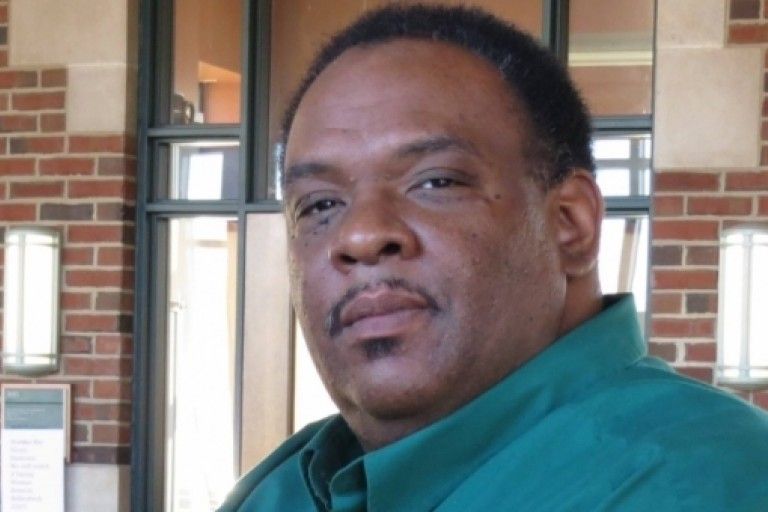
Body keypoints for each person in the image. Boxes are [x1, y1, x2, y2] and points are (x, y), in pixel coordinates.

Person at [219, 5, 768, 511]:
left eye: (436, 181)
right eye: (319, 205)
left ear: (571, 224)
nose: (360, 235)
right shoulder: (284, 487)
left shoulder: (704, 482)